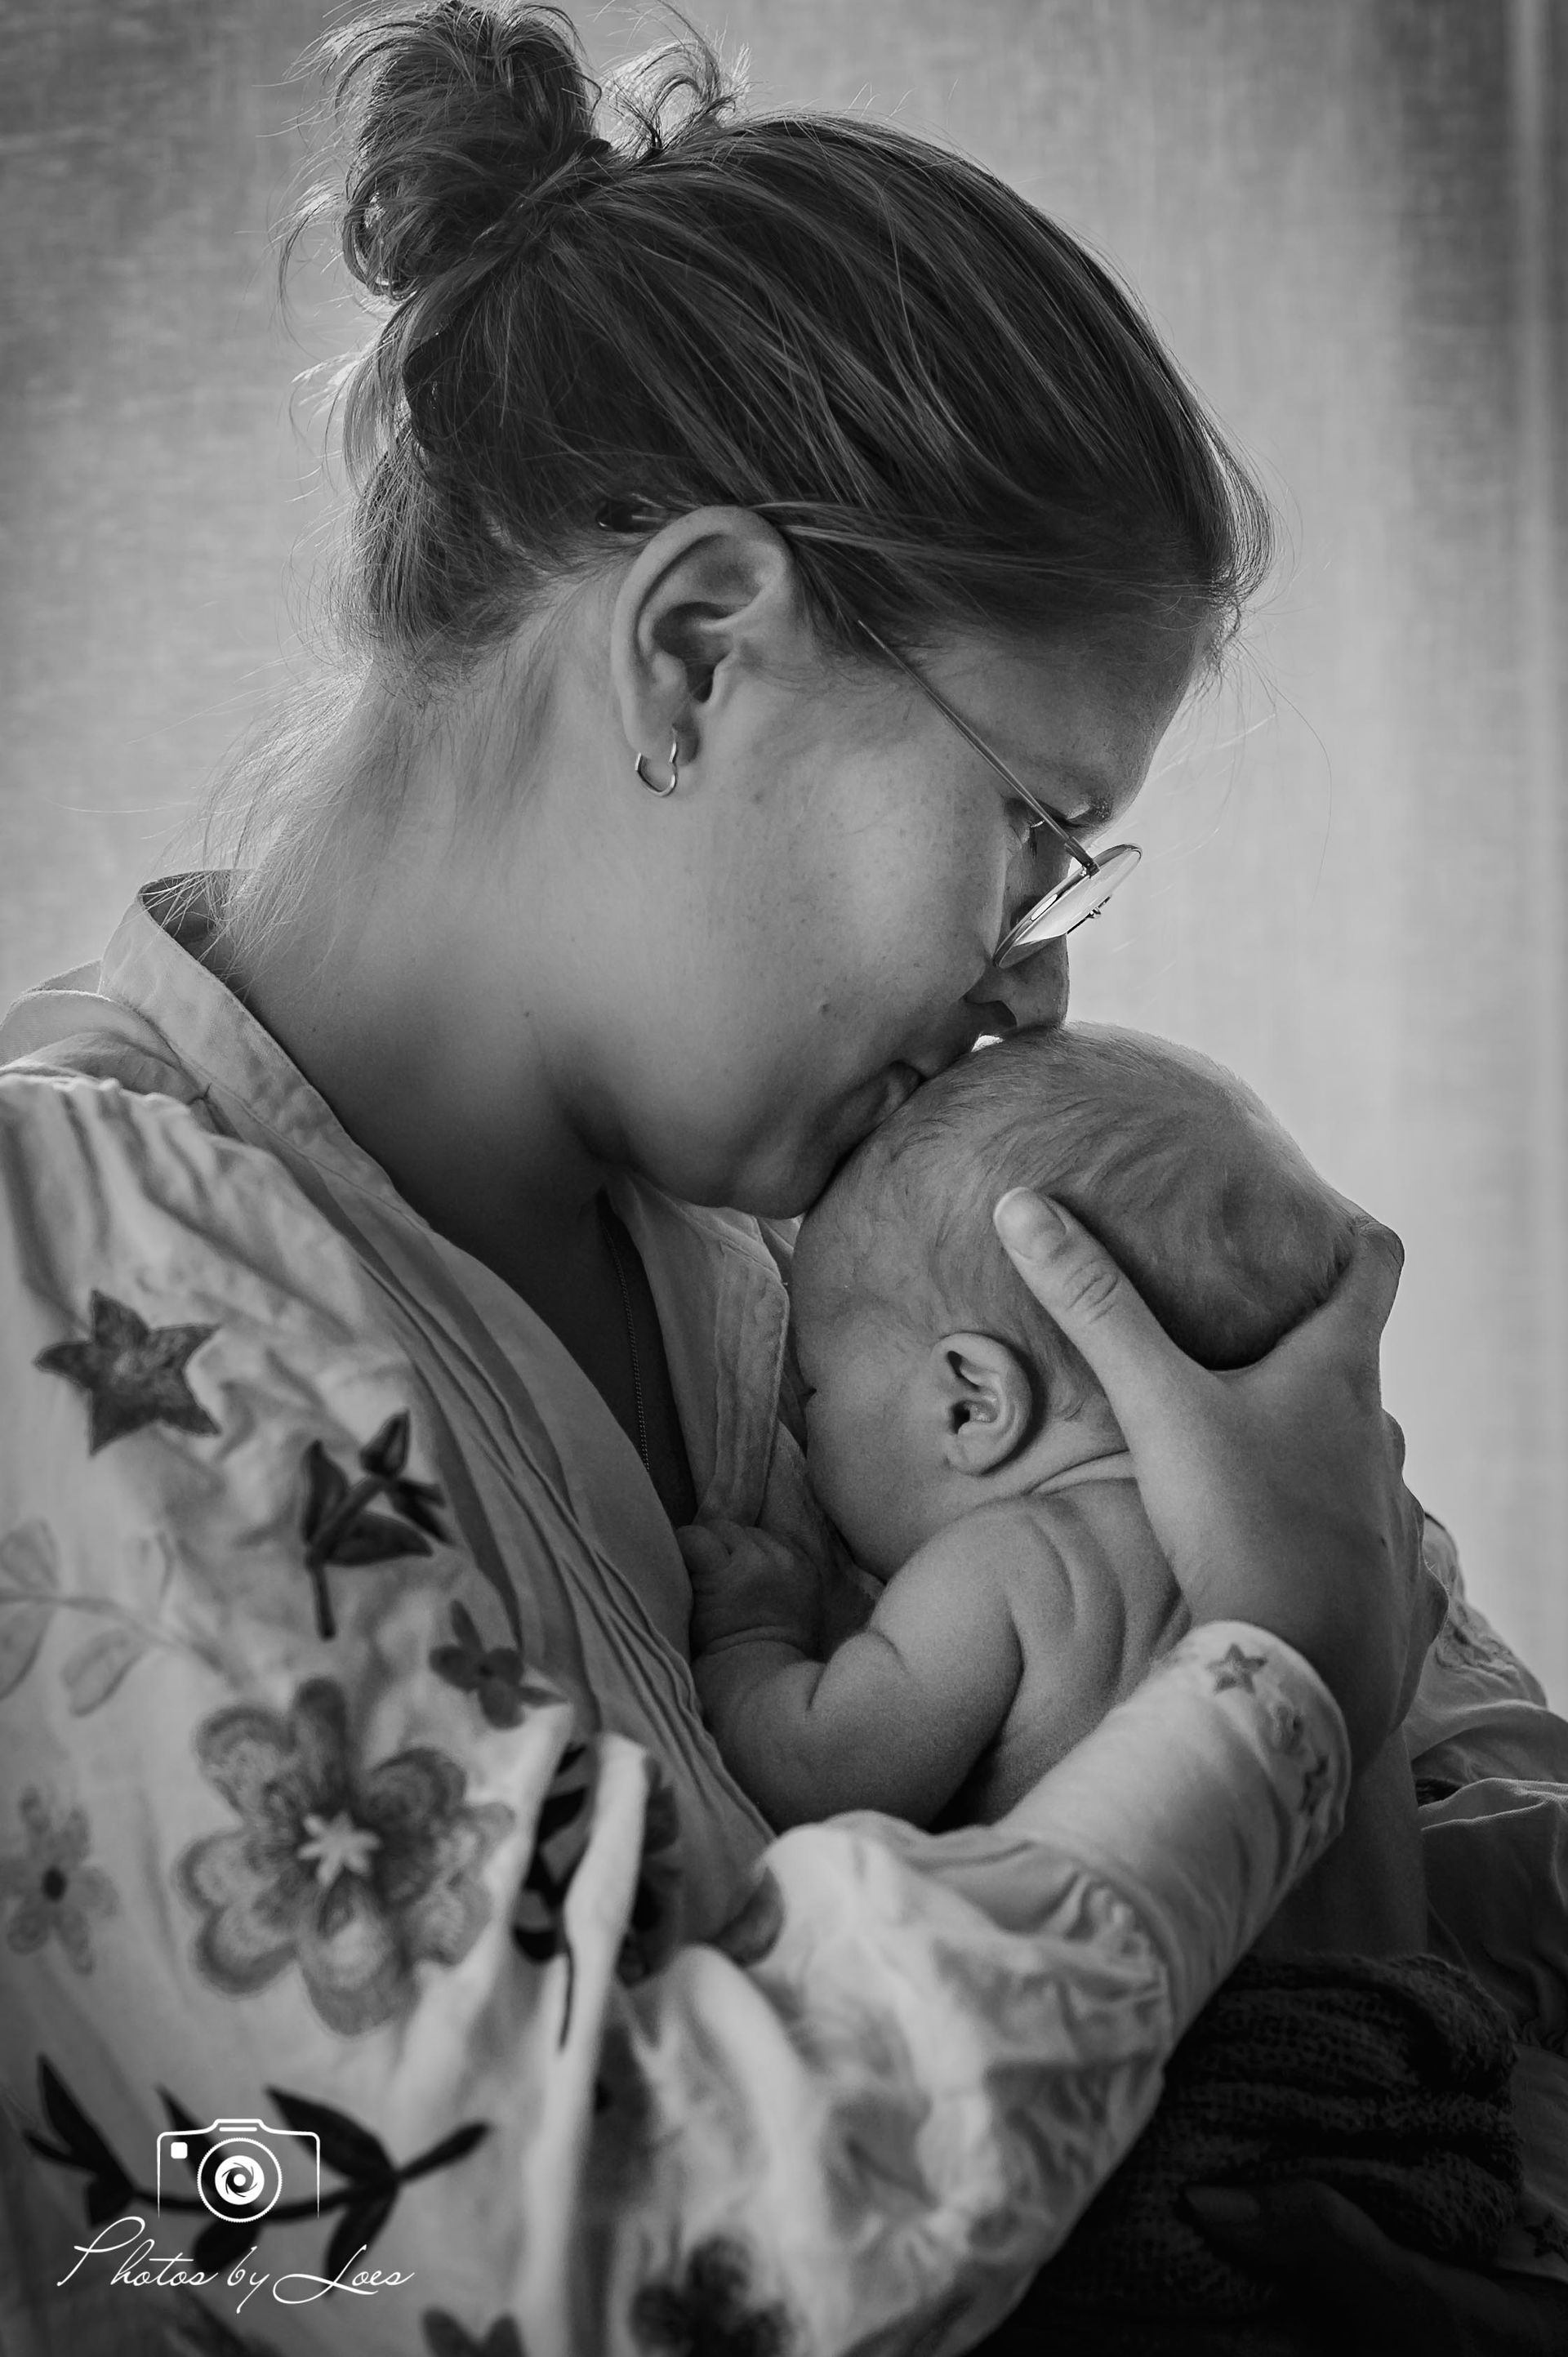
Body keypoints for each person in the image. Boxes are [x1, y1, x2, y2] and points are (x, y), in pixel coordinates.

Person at [0, 3, 1555, 2350]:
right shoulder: (66, 1287)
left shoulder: (819, 1233)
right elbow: (526, 2235)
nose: (1023, 993)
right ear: (702, 651)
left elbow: (1477, 1754)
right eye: (1028, 838)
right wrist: (1260, 1701)